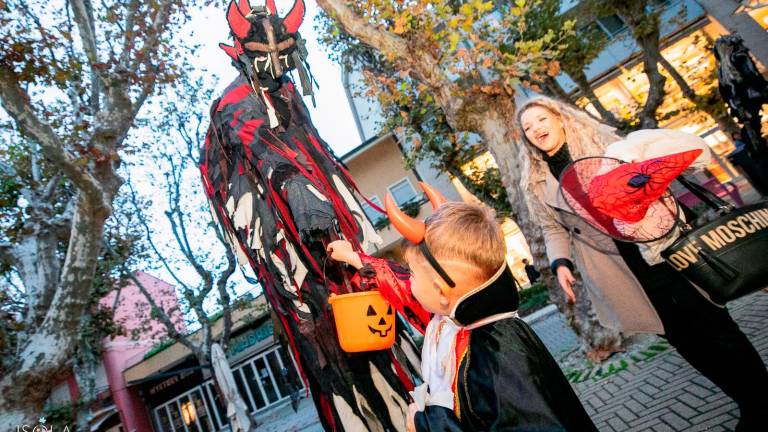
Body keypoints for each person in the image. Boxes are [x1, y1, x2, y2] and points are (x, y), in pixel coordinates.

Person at [515, 95, 768, 431]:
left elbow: (655, 179)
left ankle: (763, 398)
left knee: (716, 326)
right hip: (618, 269)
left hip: (660, 248)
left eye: (541, 119)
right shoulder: (537, 180)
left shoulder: (605, 145)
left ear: (559, 117)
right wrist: (561, 261)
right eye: (528, 128)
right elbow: (552, 227)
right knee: (683, 339)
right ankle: (748, 402)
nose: (536, 129)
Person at [327, 192, 598, 431]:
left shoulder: (495, 356)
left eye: (412, 273)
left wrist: (427, 426)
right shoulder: (460, 319)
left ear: (441, 291)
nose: (409, 282)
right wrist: (354, 258)